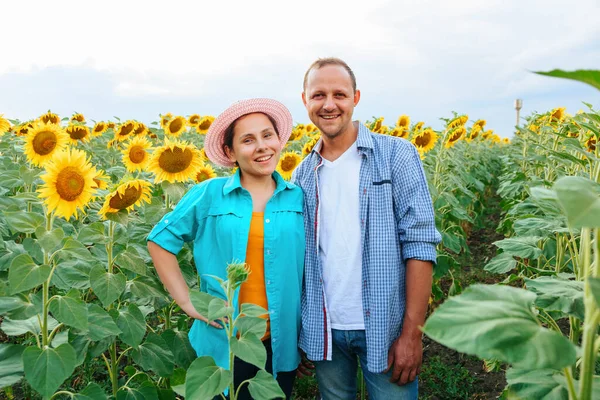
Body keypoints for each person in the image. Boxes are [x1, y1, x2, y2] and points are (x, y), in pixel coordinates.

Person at [292, 58, 441, 400]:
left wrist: (412, 334)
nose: (329, 104)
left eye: (339, 94)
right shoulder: (302, 173)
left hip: (386, 328)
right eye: (318, 95)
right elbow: (300, 259)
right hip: (326, 329)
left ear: (356, 98)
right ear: (305, 101)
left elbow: (419, 244)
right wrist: (301, 330)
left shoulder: (396, 155)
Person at [147, 98, 305, 400]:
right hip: (222, 339)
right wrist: (186, 302)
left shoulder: (297, 197)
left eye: (267, 135)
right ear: (230, 152)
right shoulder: (209, 194)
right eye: (248, 140)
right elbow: (159, 241)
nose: (261, 146)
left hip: (280, 342)